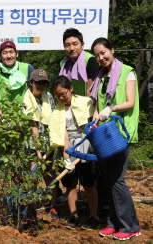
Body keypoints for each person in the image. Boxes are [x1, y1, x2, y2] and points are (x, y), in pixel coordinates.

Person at [90, 38, 141, 240]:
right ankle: (113, 222)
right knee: (108, 180)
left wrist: (111, 108)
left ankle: (130, 227)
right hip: (105, 135)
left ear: (112, 49)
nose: (100, 58)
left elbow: (130, 102)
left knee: (117, 181)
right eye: (96, 55)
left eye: (103, 52)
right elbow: (97, 106)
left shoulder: (127, 71)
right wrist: (95, 118)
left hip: (122, 133)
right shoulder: (101, 76)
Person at [49, 75, 99, 230]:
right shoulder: (58, 111)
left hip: (86, 145)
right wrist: (66, 159)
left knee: (88, 184)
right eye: (57, 96)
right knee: (70, 184)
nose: (61, 98)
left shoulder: (85, 102)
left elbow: (94, 122)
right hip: (68, 148)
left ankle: (94, 216)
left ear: (71, 88)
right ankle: (74, 215)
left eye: (63, 94)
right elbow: (63, 133)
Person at [22, 69, 59, 218]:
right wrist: (38, 152)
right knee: (32, 176)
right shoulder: (26, 99)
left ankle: (53, 206)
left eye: (44, 83)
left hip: (48, 143)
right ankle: (31, 208)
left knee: (49, 175)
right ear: (31, 83)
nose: (41, 86)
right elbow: (34, 127)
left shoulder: (48, 97)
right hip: (31, 143)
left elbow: (55, 117)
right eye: (38, 82)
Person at [0, 41, 34, 117]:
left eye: (11, 52)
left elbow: (34, 93)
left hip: (27, 117)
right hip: (6, 120)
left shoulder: (28, 68)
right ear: (0, 56)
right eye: (5, 53)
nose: (9, 56)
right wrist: (2, 118)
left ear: (17, 54)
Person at [59, 28, 100, 97]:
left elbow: (90, 92)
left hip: (87, 103)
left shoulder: (91, 60)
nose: (72, 48)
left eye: (75, 44)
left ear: (82, 44)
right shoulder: (63, 63)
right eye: (67, 45)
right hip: (72, 103)